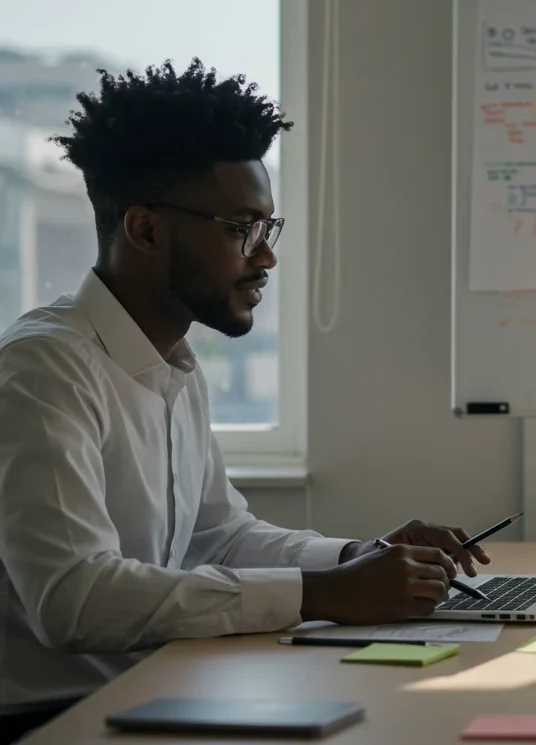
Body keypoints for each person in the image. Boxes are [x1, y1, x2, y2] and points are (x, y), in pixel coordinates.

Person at [0, 59, 487, 737]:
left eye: (268, 228)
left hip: (160, 691)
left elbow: (218, 536)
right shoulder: (43, 370)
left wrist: (358, 558)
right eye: (242, 228)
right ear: (144, 230)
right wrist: (322, 595)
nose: (266, 257)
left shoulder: (174, 365)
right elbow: (73, 599)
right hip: (54, 721)